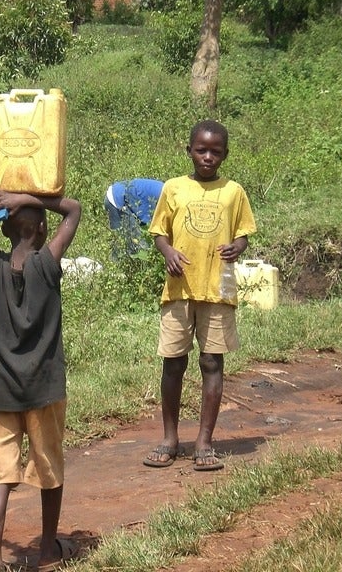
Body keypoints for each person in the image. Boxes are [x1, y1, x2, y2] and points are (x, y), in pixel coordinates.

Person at [0, 162, 83, 572]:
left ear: (3, 229)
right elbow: (74, 209)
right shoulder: (47, 265)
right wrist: (27, 198)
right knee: (48, 467)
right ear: (43, 231)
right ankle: (47, 549)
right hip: (44, 387)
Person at [143, 120, 257, 472]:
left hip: (217, 289)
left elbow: (243, 233)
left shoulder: (233, 192)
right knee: (173, 362)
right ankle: (170, 438)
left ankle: (204, 442)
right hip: (179, 289)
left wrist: (238, 247)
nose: (208, 157)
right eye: (201, 150)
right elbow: (159, 232)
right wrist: (169, 252)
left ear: (225, 155)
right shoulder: (174, 188)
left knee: (212, 362)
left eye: (216, 152)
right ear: (189, 150)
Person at [104, 178, 164, 257]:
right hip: (117, 199)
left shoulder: (170, 191)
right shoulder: (168, 198)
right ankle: (115, 265)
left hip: (126, 198)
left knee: (136, 243)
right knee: (136, 246)